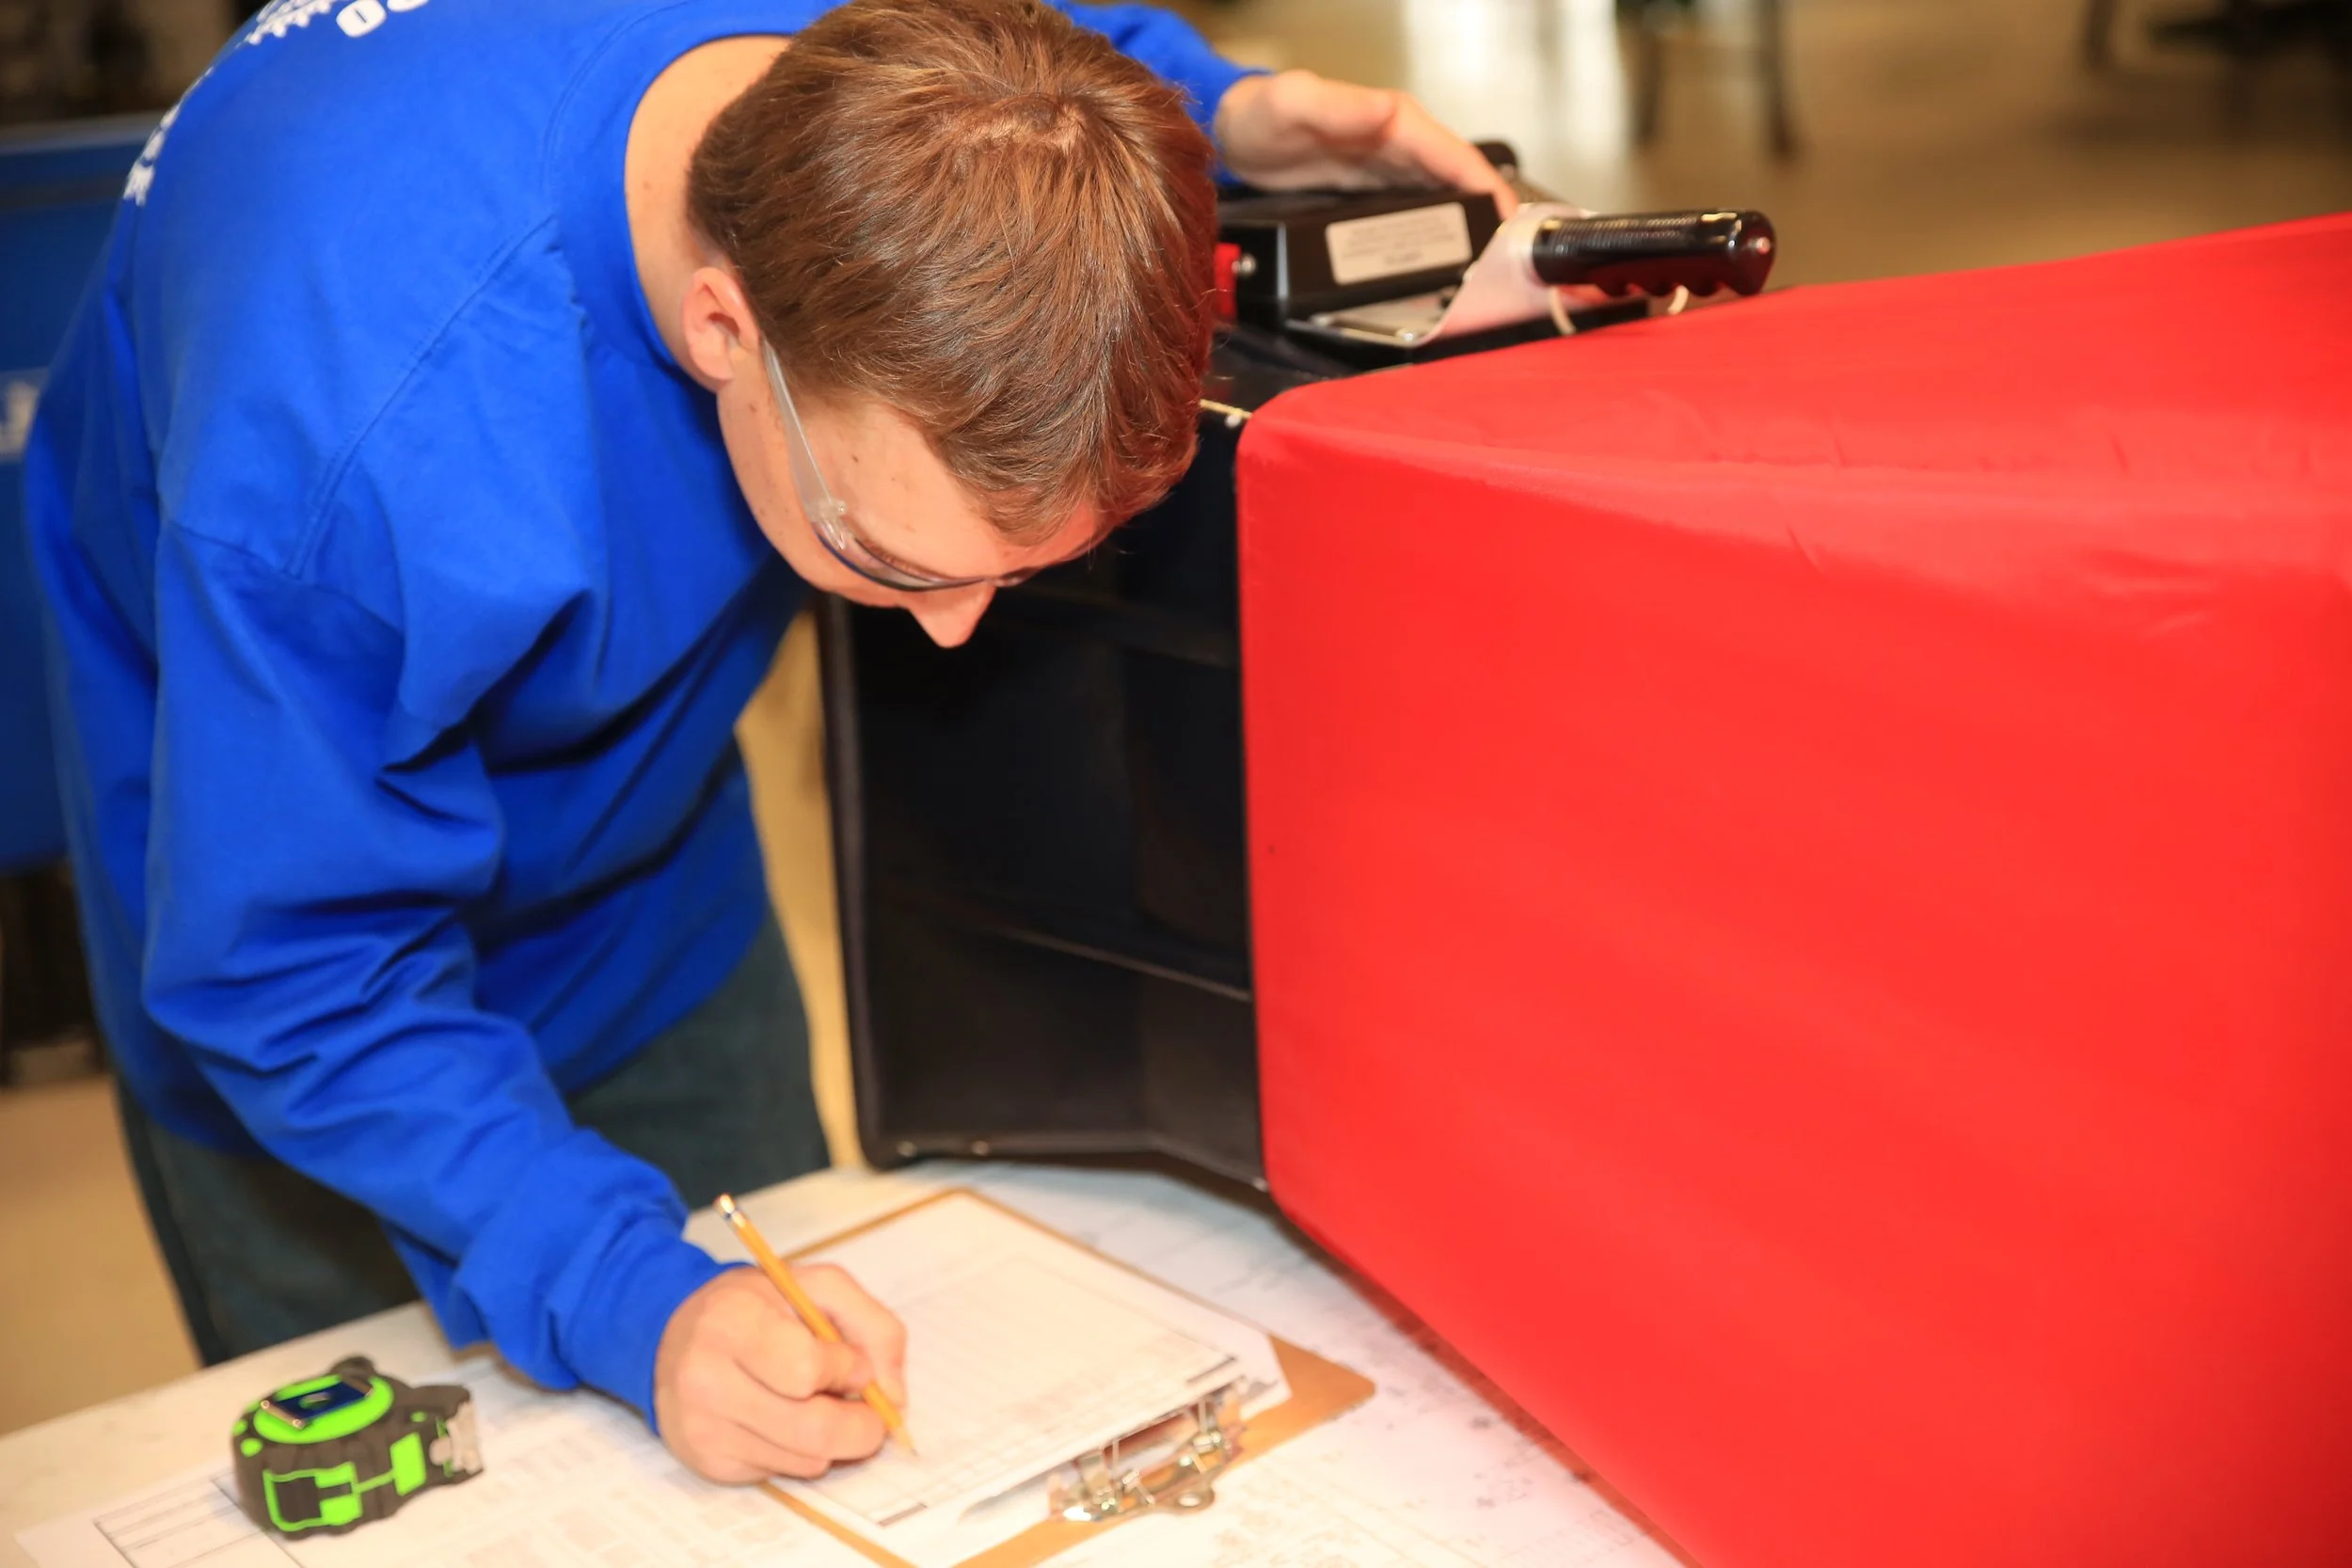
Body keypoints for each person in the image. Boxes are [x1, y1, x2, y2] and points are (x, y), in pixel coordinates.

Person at [24, 0, 1511, 1484]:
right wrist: (621, 1291)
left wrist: (1202, 107)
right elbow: (290, 966)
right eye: (899, 558)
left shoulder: (884, 68)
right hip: (296, 983)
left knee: (794, 1374)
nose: (952, 637)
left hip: (649, 869)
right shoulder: (352, 434)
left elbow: (1037, 46)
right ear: (724, 323)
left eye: (1015, 567)